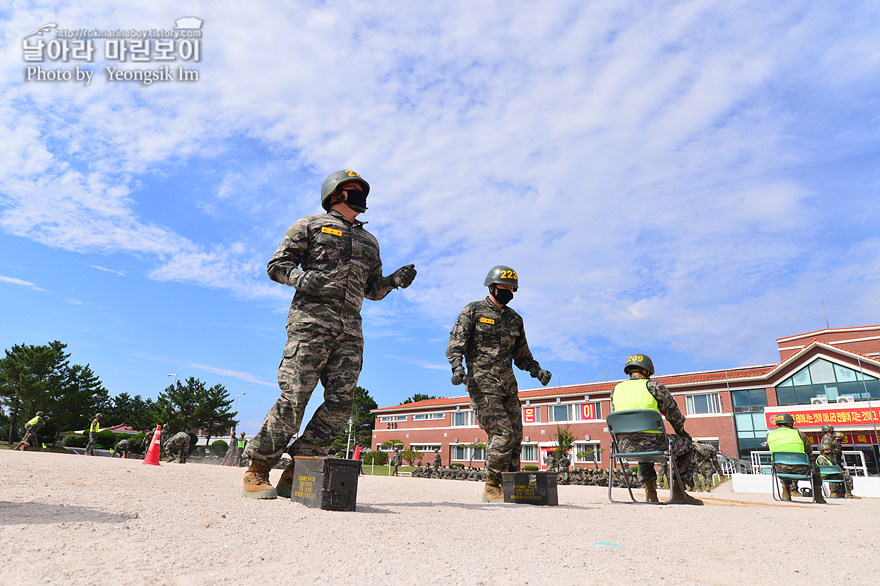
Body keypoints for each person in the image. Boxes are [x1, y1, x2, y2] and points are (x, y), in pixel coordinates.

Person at [242, 169, 417, 499]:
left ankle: (300, 468)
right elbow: (277, 265)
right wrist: (299, 277)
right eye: (353, 188)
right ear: (335, 193)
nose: (360, 193)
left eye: (362, 189)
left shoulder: (369, 241)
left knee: (340, 405)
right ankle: (258, 468)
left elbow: (372, 290)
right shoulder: (309, 224)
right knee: (295, 397)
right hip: (310, 324)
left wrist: (393, 281)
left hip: (350, 333)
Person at [446, 265, 552, 503]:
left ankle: (512, 485)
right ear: (492, 287)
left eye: (512, 289)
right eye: (504, 288)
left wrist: (537, 371)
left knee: (516, 436)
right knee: (501, 434)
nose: (509, 292)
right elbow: (456, 344)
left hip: (508, 386)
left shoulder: (515, 319)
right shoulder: (473, 310)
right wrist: (457, 368)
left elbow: (522, 355)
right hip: (482, 384)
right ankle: (492, 485)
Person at [610, 354, 703, 505]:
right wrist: (682, 432)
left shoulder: (616, 390)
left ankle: (650, 492)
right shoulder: (654, 387)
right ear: (647, 371)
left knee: (641, 444)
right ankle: (679, 491)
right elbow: (673, 415)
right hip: (655, 443)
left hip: (624, 446)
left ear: (629, 371)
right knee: (686, 444)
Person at [766, 413, 825, 503]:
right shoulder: (799, 434)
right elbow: (809, 450)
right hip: (801, 469)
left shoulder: (769, 435)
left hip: (780, 470)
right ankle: (818, 496)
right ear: (790, 424)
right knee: (816, 468)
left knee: (782, 464)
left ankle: (786, 492)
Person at [829, 432, 859, 499]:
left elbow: (838, 459)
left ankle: (848, 493)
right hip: (832, 467)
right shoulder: (832, 446)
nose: (840, 441)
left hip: (838, 465)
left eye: (841, 440)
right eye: (838, 440)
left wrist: (841, 468)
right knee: (840, 476)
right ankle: (834, 493)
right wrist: (838, 468)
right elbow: (832, 459)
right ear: (834, 439)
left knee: (848, 476)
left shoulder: (839, 447)